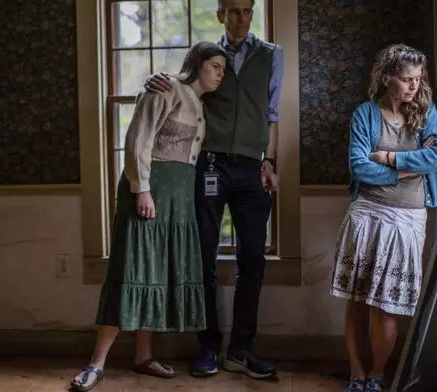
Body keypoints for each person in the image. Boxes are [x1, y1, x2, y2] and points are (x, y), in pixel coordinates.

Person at [69, 41, 227, 392]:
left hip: (179, 198)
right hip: (150, 190)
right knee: (131, 269)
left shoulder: (200, 104)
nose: (220, 73)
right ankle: (96, 363)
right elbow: (138, 138)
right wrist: (141, 188)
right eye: (214, 65)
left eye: (223, 68)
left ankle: (143, 356)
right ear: (197, 64)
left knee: (155, 272)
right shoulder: (166, 87)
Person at [144, 0, 283, 380]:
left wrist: (271, 162)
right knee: (202, 256)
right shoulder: (212, 57)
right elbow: (184, 83)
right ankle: (207, 345)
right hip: (210, 165)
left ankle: (241, 348)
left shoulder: (272, 55)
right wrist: (155, 79)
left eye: (248, 10)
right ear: (221, 14)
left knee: (252, 259)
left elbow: (272, 114)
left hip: (253, 169)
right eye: (234, 11)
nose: (242, 18)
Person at [330, 44, 437, 392]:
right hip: (367, 213)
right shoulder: (365, 114)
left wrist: (389, 159)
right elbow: (359, 167)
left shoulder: (427, 114)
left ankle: (376, 376)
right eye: (407, 79)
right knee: (359, 301)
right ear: (386, 78)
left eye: (417, 79)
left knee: (387, 305)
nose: (413, 86)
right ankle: (356, 374)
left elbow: (434, 160)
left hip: (408, 218)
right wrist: (408, 170)